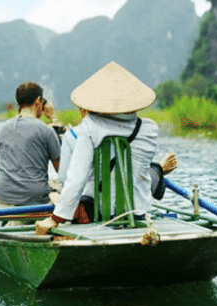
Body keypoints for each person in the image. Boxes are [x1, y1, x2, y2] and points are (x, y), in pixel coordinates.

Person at [45, 62, 169, 227]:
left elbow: (75, 179)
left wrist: (54, 219)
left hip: (100, 215)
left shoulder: (89, 127)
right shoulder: (150, 128)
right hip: (139, 214)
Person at [0, 82, 61, 206]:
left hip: (2, 196)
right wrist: (54, 119)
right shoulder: (47, 130)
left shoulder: (4, 128)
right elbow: (60, 170)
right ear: (39, 101)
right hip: (34, 198)